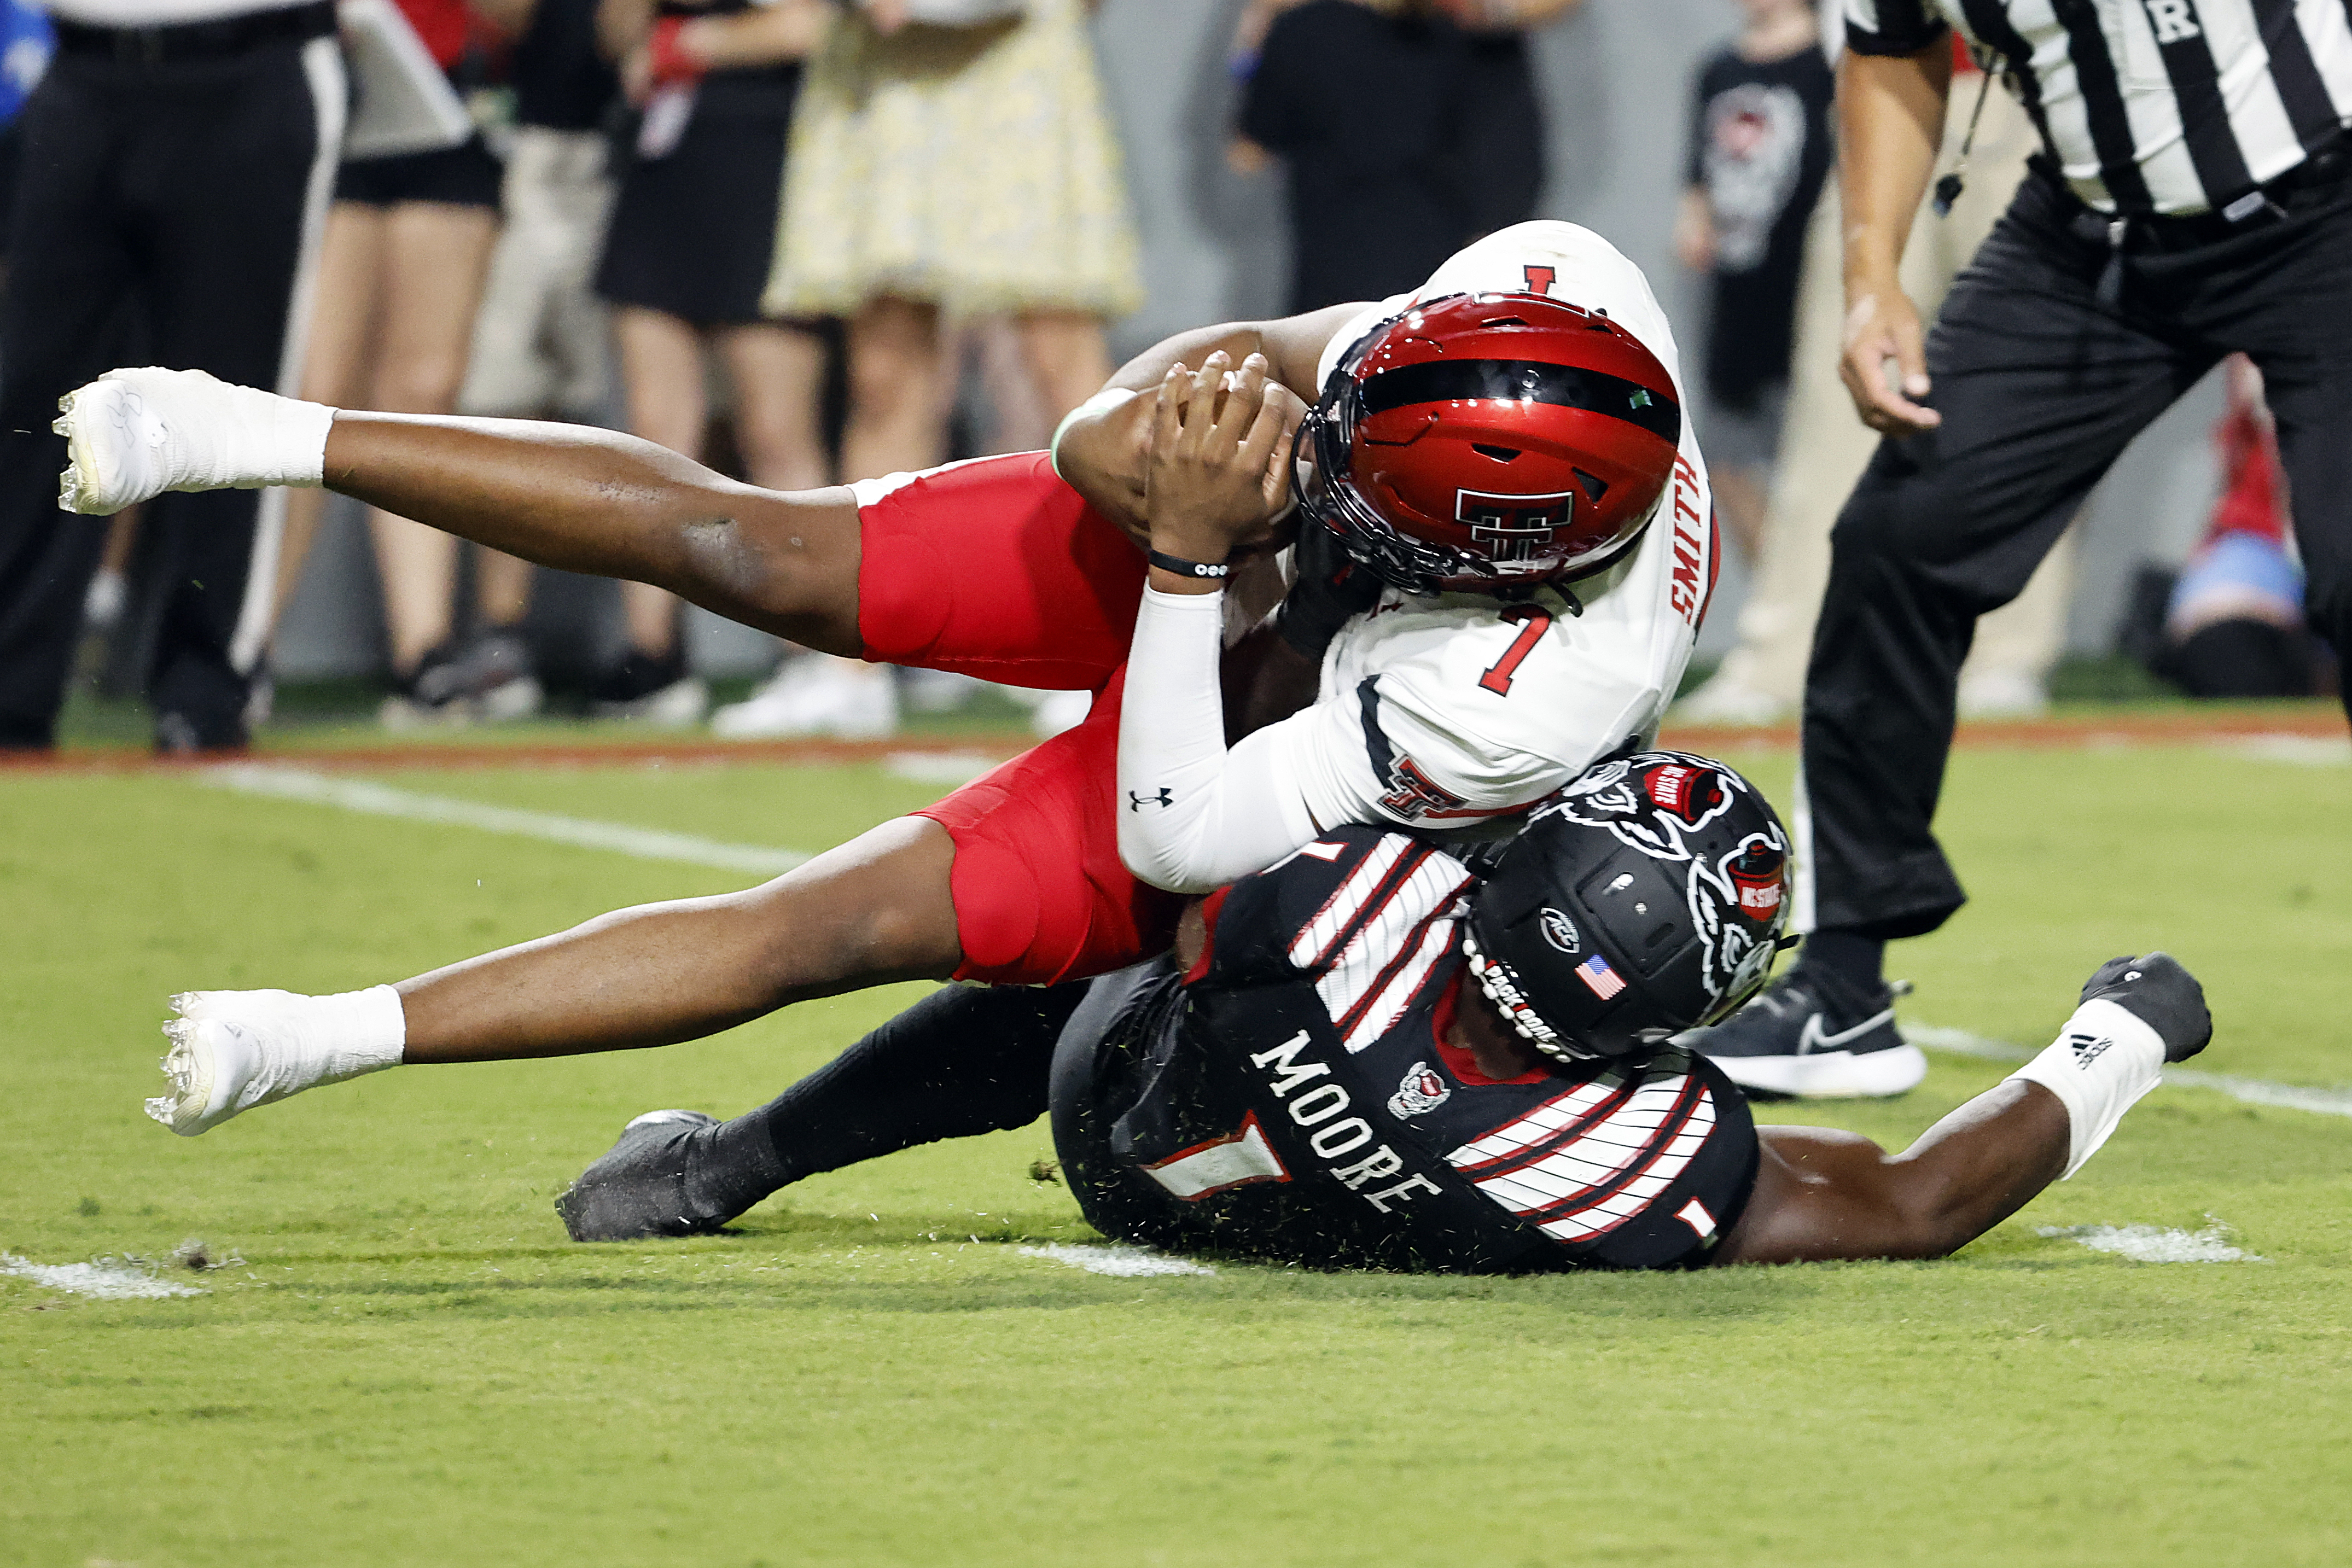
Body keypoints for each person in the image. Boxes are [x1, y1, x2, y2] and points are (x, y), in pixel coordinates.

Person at [55, 221, 1715, 1145]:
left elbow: (1174, 829)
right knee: (755, 551)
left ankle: (319, 1039)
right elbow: (1169, 382)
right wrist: (1133, 459)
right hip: (1233, 550)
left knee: (823, 929)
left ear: (1488, 564)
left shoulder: (1531, 692)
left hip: (1281, 736)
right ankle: (243, 429)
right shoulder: (1553, 300)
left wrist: (1208, 562)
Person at [553, 754, 2210, 1271]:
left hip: (1103, 1104)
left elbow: (1200, 797)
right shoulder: (1633, 1146)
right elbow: (1920, 1198)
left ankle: (724, 1163)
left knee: (1086, 927)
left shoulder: (1344, 890)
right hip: (1255, 1223)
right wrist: (2117, 1028)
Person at [1684, 0, 2352, 1099]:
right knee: (1896, 540)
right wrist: (1871, 276)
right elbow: (1889, 41)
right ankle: (1840, 991)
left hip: (2328, 201)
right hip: (2094, 233)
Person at [719, 0, 1138, 739]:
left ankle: (1124, 655)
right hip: (890, 86)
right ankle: (854, 668)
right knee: (883, 379)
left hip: (1016, 67)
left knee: (1059, 361)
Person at [0, 0, 343, 755]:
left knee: (237, 402)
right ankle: (11, 689)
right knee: (31, 393)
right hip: (82, 65)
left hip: (250, 61)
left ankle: (208, 689)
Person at [583, 0, 830, 725]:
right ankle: (652, 656)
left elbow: (805, 26)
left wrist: (690, 40)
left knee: (775, 430)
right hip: (666, 152)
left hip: (769, 147)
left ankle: (814, 653)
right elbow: (616, 36)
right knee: (655, 430)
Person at [275, 0, 514, 728]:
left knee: (422, 391)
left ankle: (424, 651)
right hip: (322, 89)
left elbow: (514, 19)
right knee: (312, 394)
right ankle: (244, 642)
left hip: (448, 104)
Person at [1673, 0, 1833, 563]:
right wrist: (1693, 219)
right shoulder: (1719, 68)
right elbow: (1698, 179)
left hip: (1808, 291)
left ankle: (1813, 601)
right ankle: (1784, 594)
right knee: (1725, 458)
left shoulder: (1832, 65)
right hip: (1735, 294)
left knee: (1815, 462)